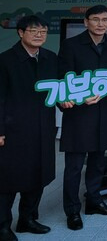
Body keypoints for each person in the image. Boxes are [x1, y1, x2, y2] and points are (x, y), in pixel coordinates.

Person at [58, 5, 107, 230]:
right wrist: (75, 97)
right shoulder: (71, 45)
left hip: (106, 111)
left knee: (98, 161)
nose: (100, 24)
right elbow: (63, 78)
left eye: (105, 20)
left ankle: (94, 201)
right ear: (86, 22)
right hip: (79, 112)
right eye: (95, 19)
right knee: (75, 165)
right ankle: (72, 210)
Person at [0, 16, 57, 240]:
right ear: (20, 33)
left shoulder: (50, 59)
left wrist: (68, 99)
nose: (39, 35)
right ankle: (3, 226)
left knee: (37, 174)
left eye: (43, 31)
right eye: (33, 31)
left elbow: (59, 89)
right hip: (13, 130)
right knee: (8, 179)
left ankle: (27, 219)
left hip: (43, 128)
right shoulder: (4, 61)